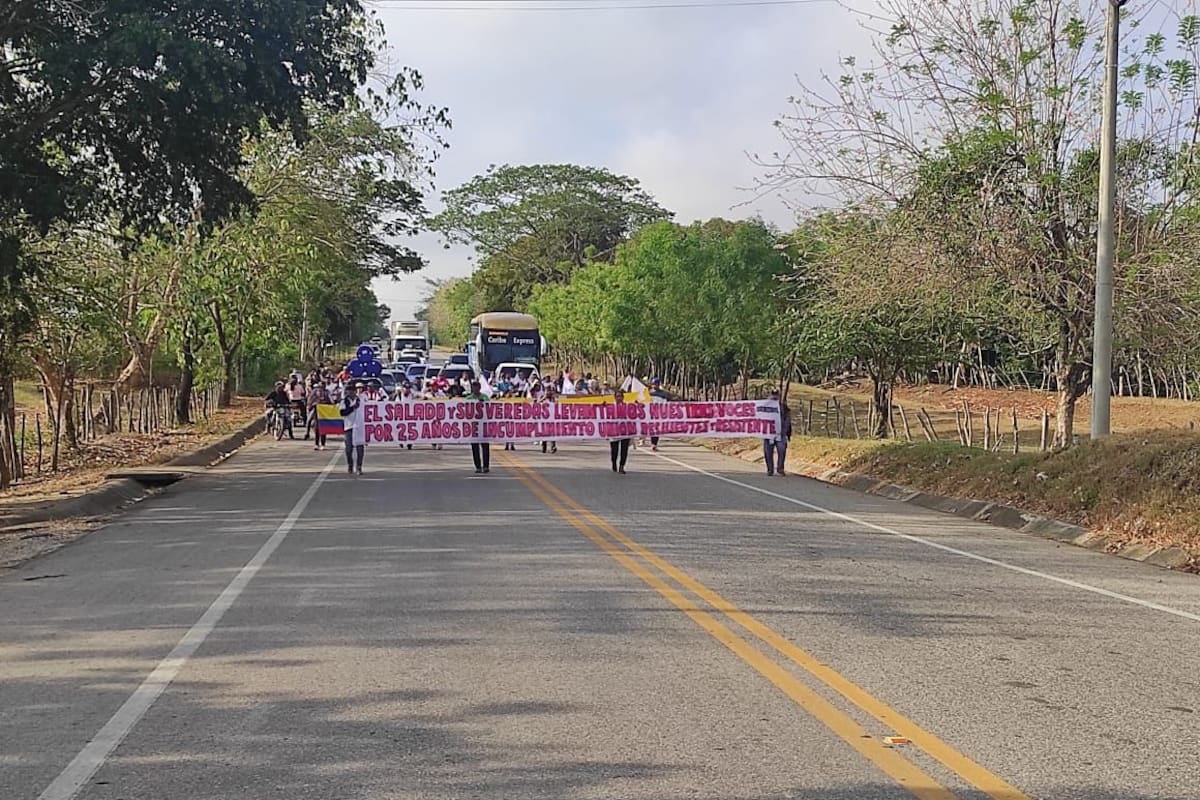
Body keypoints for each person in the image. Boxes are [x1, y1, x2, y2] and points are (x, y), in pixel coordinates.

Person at [763, 389, 793, 476]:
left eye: (776, 395)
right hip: (769, 434)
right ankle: (770, 469)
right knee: (768, 452)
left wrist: (785, 431)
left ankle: (780, 468)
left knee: (782, 451)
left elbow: (788, 419)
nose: (774, 397)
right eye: (773, 395)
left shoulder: (784, 407)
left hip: (781, 434)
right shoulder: (765, 407)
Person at [464, 380, 491, 474]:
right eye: (473, 387)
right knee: (475, 448)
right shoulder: (468, 398)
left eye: (477, 387)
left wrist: (483, 403)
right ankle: (478, 466)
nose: (475, 389)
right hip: (473, 427)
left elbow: (490, 408)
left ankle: (486, 466)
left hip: (483, 426)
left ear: (479, 388)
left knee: (485, 447)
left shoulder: (485, 397)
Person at [341, 381, 367, 475]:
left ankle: (359, 467)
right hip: (349, 427)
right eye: (348, 390)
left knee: (360, 448)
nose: (350, 392)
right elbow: (342, 413)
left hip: (359, 427)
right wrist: (353, 408)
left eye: (352, 390)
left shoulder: (361, 399)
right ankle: (350, 465)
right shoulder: (344, 401)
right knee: (348, 448)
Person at [608, 387, 631, 474]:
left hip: (625, 431)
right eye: (617, 396)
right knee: (614, 450)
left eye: (620, 396)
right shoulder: (610, 407)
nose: (619, 398)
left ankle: (621, 466)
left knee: (624, 450)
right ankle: (614, 462)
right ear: (614, 397)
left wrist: (638, 406)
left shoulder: (628, 407)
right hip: (614, 432)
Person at [648, 377, 671, 451]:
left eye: (656, 384)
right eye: (653, 384)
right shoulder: (649, 393)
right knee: (651, 429)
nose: (655, 386)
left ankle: (654, 444)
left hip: (659, 414)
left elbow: (665, 403)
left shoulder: (663, 394)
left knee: (657, 430)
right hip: (650, 414)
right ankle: (649, 442)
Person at [307, 383, 331, 450]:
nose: (320, 389)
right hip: (316, 413)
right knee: (315, 427)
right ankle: (316, 443)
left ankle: (323, 444)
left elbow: (331, 403)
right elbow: (309, 403)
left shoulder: (327, 393)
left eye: (322, 387)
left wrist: (325, 404)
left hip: (324, 414)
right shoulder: (314, 394)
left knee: (323, 429)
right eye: (319, 387)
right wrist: (312, 405)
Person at [541, 383, 558, 454]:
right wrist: (543, 399)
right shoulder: (543, 399)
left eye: (549, 391)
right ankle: (544, 446)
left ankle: (553, 447)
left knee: (552, 434)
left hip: (552, 419)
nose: (548, 392)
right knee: (544, 433)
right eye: (547, 391)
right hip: (544, 419)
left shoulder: (553, 400)